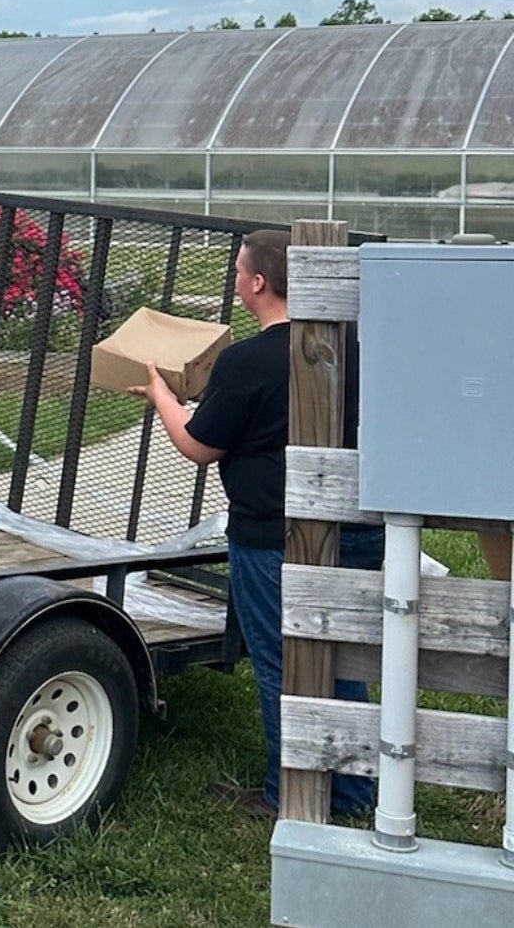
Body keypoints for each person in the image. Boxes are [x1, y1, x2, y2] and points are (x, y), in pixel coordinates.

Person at [134, 228, 379, 822]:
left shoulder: (247, 360)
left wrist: (159, 392)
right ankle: (352, 793)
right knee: (344, 659)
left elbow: (199, 445)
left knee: (282, 661)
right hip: (359, 528)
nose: (237, 279)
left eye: (241, 270)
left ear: (259, 283)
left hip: (275, 536)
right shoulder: (351, 346)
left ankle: (288, 794)